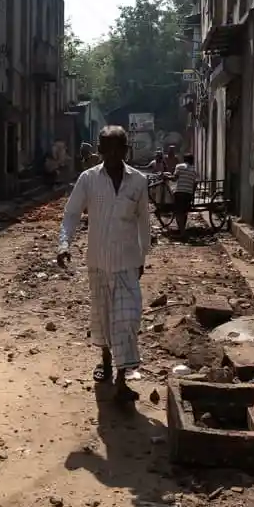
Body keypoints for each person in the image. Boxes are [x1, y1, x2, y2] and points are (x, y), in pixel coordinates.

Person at [57, 126, 152, 404]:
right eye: (106, 149)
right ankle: (107, 361)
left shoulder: (138, 181)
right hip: (98, 261)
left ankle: (122, 380)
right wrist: (64, 244)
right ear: (99, 150)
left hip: (127, 263)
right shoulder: (88, 179)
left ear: (125, 150)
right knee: (104, 316)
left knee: (128, 319)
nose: (111, 154)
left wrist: (142, 257)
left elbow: (144, 222)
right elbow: (71, 213)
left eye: (117, 149)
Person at [172, 153, 199, 236]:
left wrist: (167, 176)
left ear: (184, 160)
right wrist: (192, 194)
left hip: (179, 192)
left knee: (178, 212)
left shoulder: (179, 167)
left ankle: (182, 231)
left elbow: (174, 178)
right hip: (188, 193)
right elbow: (195, 183)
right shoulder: (194, 171)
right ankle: (182, 229)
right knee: (184, 212)